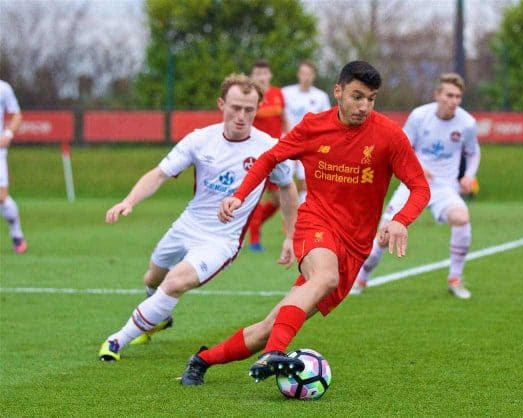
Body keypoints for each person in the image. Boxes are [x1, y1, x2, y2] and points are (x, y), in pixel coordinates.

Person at [178, 61, 430, 386]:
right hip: (315, 222)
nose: (363, 106)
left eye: (371, 98)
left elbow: (420, 187)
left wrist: (400, 220)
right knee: (324, 277)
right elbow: (270, 158)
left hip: (354, 246)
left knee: (268, 328)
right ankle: (274, 353)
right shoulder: (313, 127)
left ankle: (201, 360)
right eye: (356, 96)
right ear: (337, 92)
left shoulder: (389, 136)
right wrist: (240, 195)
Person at [98, 74, 298, 361]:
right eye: (235, 107)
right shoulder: (200, 139)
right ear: (221, 104)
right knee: (153, 278)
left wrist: (290, 235)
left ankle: (118, 339)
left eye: (249, 110)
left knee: (175, 282)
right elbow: (159, 174)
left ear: (257, 109)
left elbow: (288, 188)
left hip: (221, 239)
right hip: (186, 225)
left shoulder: (268, 148)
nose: (242, 116)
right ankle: (159, 317)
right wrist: (129, 201)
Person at [351, 73, 481, 299]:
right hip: (413, 184)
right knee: (383, 236)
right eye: (449, 95)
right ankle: (361, 278)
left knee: (461, 217)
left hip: (444, 188)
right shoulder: (420, 116)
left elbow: (473, 153)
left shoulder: (467, 123)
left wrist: (469, 175)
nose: (454, 101)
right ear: (438, 95)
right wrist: (418, 167)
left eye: (458, 96)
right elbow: (402, 148)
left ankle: (455, 279)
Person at [247, 59, 290, 252]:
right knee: (256, 195)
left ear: (269, 75)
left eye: (264, 73)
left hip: (276, 152)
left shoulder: (278, 93)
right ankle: (255, 239)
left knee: (277, 200)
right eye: (258, 73)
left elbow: (284, 119)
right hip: (253, 153)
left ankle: (250, 224)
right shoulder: (248, 96)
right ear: (252, 76)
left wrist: (290, 142)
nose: (262, 77)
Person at [282, 60, 331, 203]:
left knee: (306, 182)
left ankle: (303, 216)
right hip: (288, 143)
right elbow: (281, 116)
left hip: (311, 145)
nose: (306, 77)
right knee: (285, 182)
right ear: (298, 75)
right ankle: (288, 221)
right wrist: (293, 139)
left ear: (314, 76)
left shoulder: (321, 96)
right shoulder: (286, 93)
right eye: (303, 73)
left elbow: (326, 121)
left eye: (309, 74)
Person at [0, 79, 27, 254]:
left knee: (1, 197)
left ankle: (17, 234)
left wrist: (8, 133)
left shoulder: (3, 88)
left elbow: (17, 115)